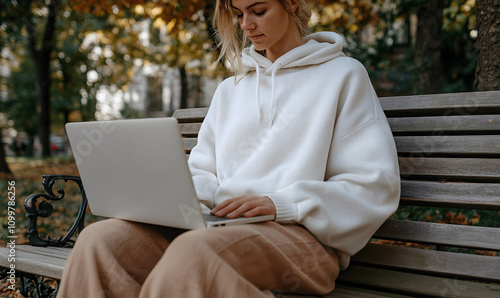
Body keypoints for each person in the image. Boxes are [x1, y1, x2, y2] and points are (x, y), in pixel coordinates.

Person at [57, 0, 400, 297]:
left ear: (292, 4)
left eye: (258, 10)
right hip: (215, 228)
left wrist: (279, 204)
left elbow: (372, 185)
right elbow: (204, 172)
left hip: (302, 240)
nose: (247, 25)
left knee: (195, 253)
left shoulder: (343, 76)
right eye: (238, 14)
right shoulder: (231, 89)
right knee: (100, 241)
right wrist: (177, 198)